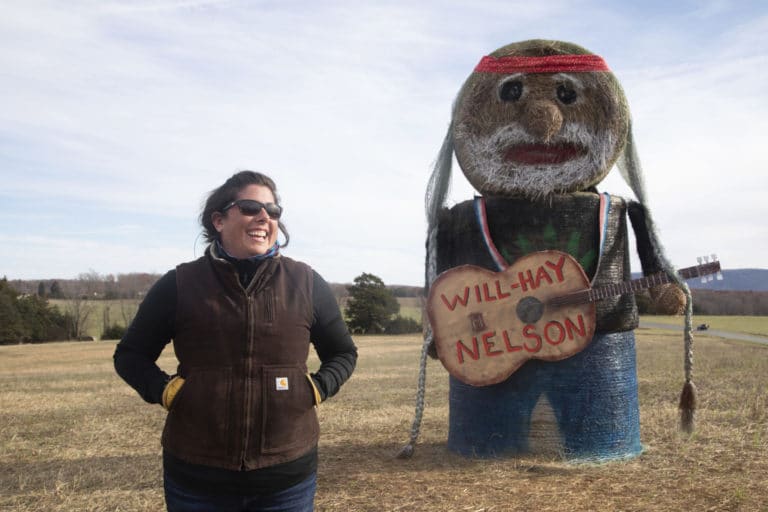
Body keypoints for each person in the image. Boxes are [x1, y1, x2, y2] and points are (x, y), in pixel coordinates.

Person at [114, 170, 357, 511]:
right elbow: (130, 355)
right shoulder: (180, 284)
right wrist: (166, 391)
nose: (264, 217)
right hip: (196, 478)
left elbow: (343, 352)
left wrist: (315, 389)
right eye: (250, 207)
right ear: (218, 220)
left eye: (273, 211)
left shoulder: (306, 283)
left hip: (286, 479)